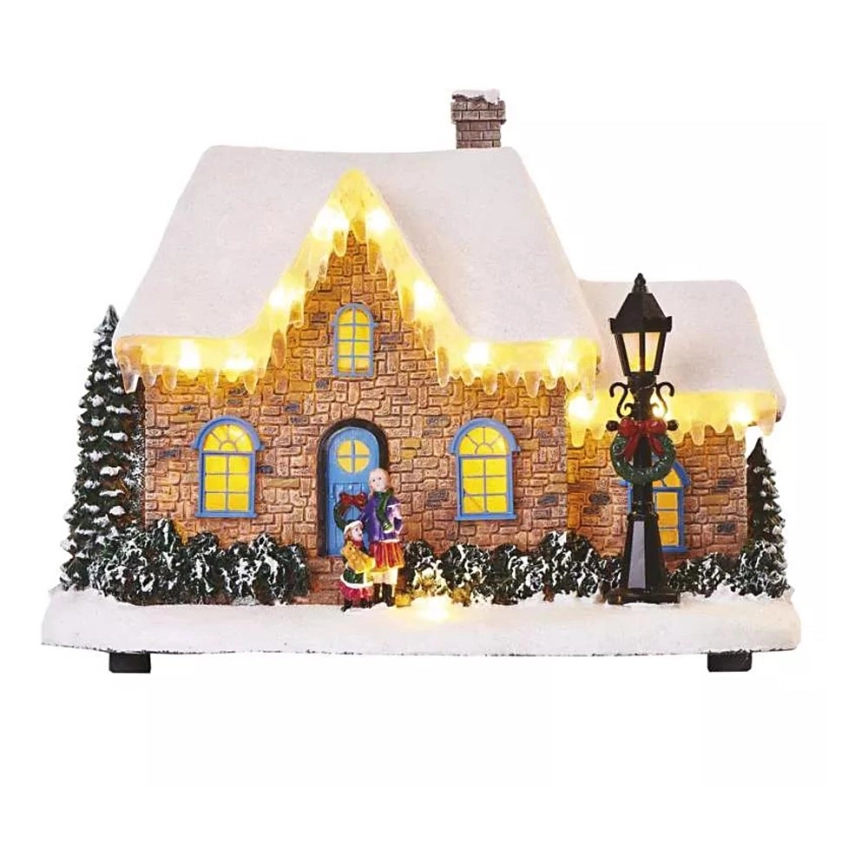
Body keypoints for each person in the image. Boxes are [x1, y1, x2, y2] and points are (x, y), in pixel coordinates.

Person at [360, 467, 404, 606]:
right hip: (376, 543)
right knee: (376, 568)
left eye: (379, 478)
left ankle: (388, 595)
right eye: (373, 480)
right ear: (370, 484)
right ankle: (376, 595)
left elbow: (399, 520)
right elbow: (362, 518)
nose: (377, 482)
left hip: (390, 542)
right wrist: (356, 528)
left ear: (386, 481)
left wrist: (395, 530)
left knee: (390, 569)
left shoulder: (392, 501)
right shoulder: (371, 503)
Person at [339, 520, 376, 612]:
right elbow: (345, 556)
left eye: (360, 529)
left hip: (363, 572)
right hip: (352, 572)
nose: (360, 532)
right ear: (349, 534)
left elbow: (365, 555)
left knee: (363, 587)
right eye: (356, 530)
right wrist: (347, 564)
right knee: (350, 587)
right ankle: (348, 604)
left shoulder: (362, 546)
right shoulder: (348, 547)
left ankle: (364, 602)